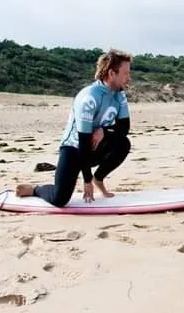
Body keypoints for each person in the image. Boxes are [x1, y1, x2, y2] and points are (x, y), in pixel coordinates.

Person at [16, 49, 133, 206]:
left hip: (95, 147)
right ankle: (35, 190)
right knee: (60, 199)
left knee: (123, 143)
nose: (129, 78)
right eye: (125, 73)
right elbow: (83, 142)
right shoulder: (89, 98)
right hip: (74, 149)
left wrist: (104, 131)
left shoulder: (119, 95)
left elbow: (124, 128)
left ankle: (98, 178)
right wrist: (86, 180)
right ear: (112, 73)